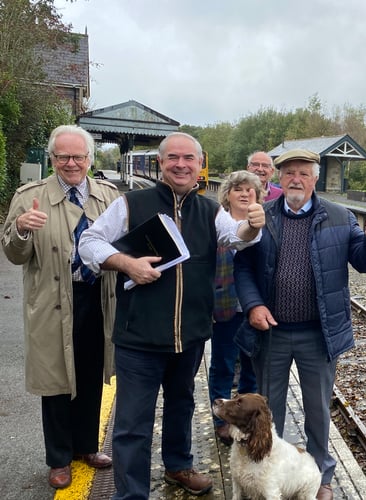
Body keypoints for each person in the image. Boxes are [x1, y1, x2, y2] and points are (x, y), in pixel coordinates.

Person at [78, 132, 265, 499]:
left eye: (189, 159)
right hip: (138, 336)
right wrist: (125, 263)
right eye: (173, 158)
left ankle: (179, 466)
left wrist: (253, 225)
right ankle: (131, 494)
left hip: (191, 334)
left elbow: (236, 236)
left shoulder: (211, 211)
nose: (181, 165)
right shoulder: (131, 203)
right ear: (161, 163)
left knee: (181, 406)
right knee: (133, 423)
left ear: (199, 165)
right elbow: (89, 242)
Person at [233, 148, 366, 500]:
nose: (296, 179)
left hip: (318, 334)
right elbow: (242, 267)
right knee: (268, 411)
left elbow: (363, 262)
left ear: (315, 179)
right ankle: (269, 473)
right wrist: (253, 306)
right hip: (270, 331)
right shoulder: (264, 216)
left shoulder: (339, 216)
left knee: (317, 409)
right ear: (278, 177)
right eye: (289, 173)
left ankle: (320, 477)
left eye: (303, 173)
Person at [1, 125, 119, 490]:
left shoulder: (109, 195)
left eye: (78, 156)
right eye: (63, 157)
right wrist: (21, 228)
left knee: (88, 373)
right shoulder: (29, 196)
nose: (71, 163)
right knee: (55, 380)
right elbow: (14, 253)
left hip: (98, 296)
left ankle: (86, 446)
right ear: (52, 159)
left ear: (89, 159)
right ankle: (58, 458)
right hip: (53, 300)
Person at [209, 170, 265, 445]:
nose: (244, 194)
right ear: (227, 195)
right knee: (223, 364)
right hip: (225, 307)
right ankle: (221, 419)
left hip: (254, 308)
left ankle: (246, 418)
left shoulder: (263, 225)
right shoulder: (217, 223)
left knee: (252, 365)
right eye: (238, 190)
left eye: (250, 190)